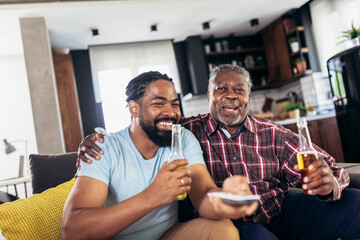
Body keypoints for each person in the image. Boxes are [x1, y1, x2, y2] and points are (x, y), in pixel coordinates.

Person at [78, 65, 360, 240]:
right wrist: (93, 139)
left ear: (249, 97)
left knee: (354, 202)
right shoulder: (186, 130)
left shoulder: (273, 133)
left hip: (281, 213)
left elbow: (326, 166)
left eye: (239, 90)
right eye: (221, 88)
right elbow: (143, 128)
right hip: (239, 227)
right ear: (209, 95)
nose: (231, 95)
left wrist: (328, 183)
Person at [62, 71, 258, 240]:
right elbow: (72, 230)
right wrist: (152, 197)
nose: (170, 112)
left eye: (174, 104)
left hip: (166, 235)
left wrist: (226, 199)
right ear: (134, 108)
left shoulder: (182, 138)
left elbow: (203, 195)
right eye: (158, 104)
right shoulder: (103, 149)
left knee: (222, 229)